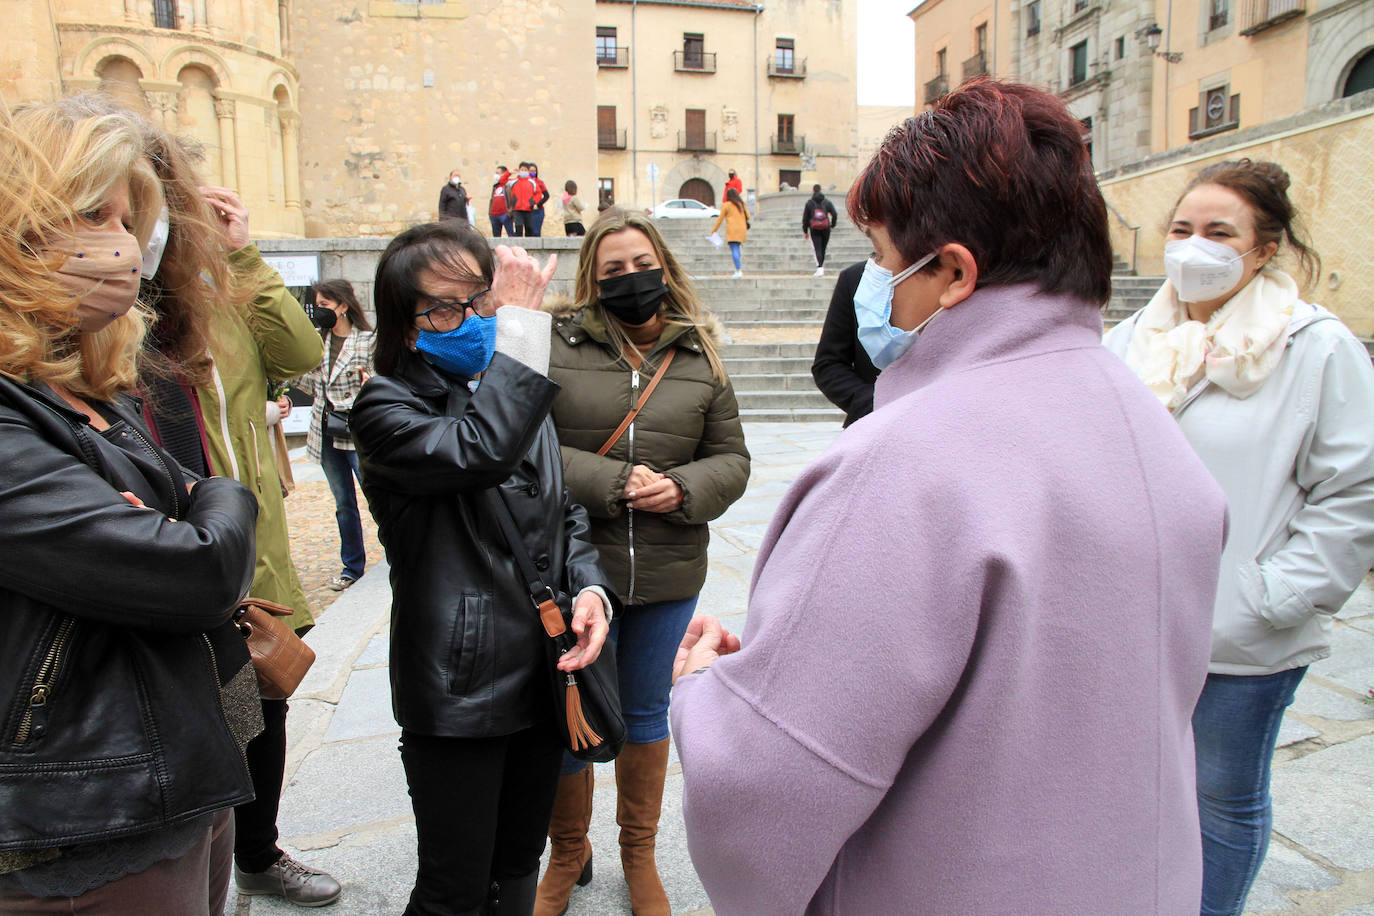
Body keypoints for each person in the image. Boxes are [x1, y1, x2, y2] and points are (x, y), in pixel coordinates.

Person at [668, 80, 1229, 914]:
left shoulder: (902, 463)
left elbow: (764, 790)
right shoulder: (1153, 428)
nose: (877, 285)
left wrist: (705, 692)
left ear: (955, 273)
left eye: (888, 263)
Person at [0, 96, 261, 914]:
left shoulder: (80, 393)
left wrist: (199, 503)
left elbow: (194, 512)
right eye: (88, 213)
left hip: (171, 776)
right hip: (80, 817)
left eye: (123, 216)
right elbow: (197, 571)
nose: (117, 242)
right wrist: (211, 504)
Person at [1103, 159, 1374, 916]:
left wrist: (1273, 596)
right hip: (1132, 628)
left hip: (1241, 633)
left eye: (1220, 232)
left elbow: (1354, 491)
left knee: (1222, 798)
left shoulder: (1316, 349)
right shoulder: (1129, 341)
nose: (1195, 247)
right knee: (1139, 795)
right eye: (1183, 230)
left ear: (1264, 249)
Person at [349, 222, 616, 916]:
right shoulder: (385, 406)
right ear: (405, 326)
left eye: (480, 298)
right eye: (444, 306)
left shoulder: (506, 390)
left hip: (541, 669)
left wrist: (590, 589)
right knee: (454, 886)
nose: (470, 318)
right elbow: (481, 450)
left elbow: (564, 515)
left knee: (518, 862)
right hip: (459, 682)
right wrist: (522, 328)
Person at [126, 109, 341, 908]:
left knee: (264, 697)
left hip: (246, 541)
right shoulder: (90, 304)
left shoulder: (218, 295)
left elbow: (302, 355)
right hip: (149, 542)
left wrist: (243, 251)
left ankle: (258, 852)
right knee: (174, 705)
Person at [537, 212, 750, 916]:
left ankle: (638, 853)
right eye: (614, 271)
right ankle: (567, 852)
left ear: (664, 263)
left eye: (641, 263)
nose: (633, 279)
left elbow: (732, 459)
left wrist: (683, 487)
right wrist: (612, 483)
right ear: (592, 281)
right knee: (573, 710)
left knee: (646, 711)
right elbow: (526, 447)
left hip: (667, 568)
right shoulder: (556, 344)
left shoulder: (700, 353)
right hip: (576, 565)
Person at [306, 279, 375, 592]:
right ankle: (352, 567)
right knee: (343, 504)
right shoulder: (315, 341)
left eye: (325, 305)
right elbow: (307, 382)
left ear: (343, 306)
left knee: (377, 498)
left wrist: (368, 387)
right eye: (317, 305)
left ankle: (398, 556)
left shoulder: (367, 341)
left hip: (354, 432)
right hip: (324, 433)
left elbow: (377, 382)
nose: (320, 311)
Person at [810, 261, 878, 425]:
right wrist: (872, 402)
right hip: (871, 424)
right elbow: (828, 364)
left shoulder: (948, 280)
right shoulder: (856, 278)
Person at [709, 188, 749, 279]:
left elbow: (720, 219)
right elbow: (749, 216)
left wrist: (713, 230)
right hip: (742, 230)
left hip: (732, 230)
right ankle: (738, 269)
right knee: (737, 248)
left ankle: (739, 270)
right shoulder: (742, 204)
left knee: (734, 248)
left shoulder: (726, 205)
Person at [802, 184, 838, 277]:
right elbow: (834, 213)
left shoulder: (809, 203)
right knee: (823, 248)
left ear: (813, 190)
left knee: (817, 247)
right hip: (826, 227)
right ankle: (820, 267)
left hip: (814, 228)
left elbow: (805, 218)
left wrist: (805, 231)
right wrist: (832, 225)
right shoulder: (826, 202)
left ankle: (820, 268)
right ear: (821, 190)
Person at [509, 163, 540, 238]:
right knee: (518, 229)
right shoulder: (513, 182)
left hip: (528, 209)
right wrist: (509, 173)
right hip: (517, 209)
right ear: (519, 170)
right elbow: (502, 181)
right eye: (522, 170)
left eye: (525, 170)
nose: (523, 171)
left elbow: (538, 193)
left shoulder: (532, 182)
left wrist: (533, 202)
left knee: (529, 229)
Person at [489, 165, 514, 238]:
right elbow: (492, 199)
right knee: (496, 237)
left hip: (505, 214)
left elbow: (503, 180)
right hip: (494, 215)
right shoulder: (495, 186)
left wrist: (510, 212)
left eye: (498, 173)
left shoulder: (508, 184)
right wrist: (490, 213)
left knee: (511, 235)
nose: (496, 175)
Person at [528, 163, 550, 238]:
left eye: (534, 171)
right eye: (530, 171)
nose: (532, 173)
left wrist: (538, 205)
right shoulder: (525, 182)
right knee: (529, 232)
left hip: (538, 211)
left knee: (536, 232)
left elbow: (546, 195)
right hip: (527, 210)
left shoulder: (539, 182)